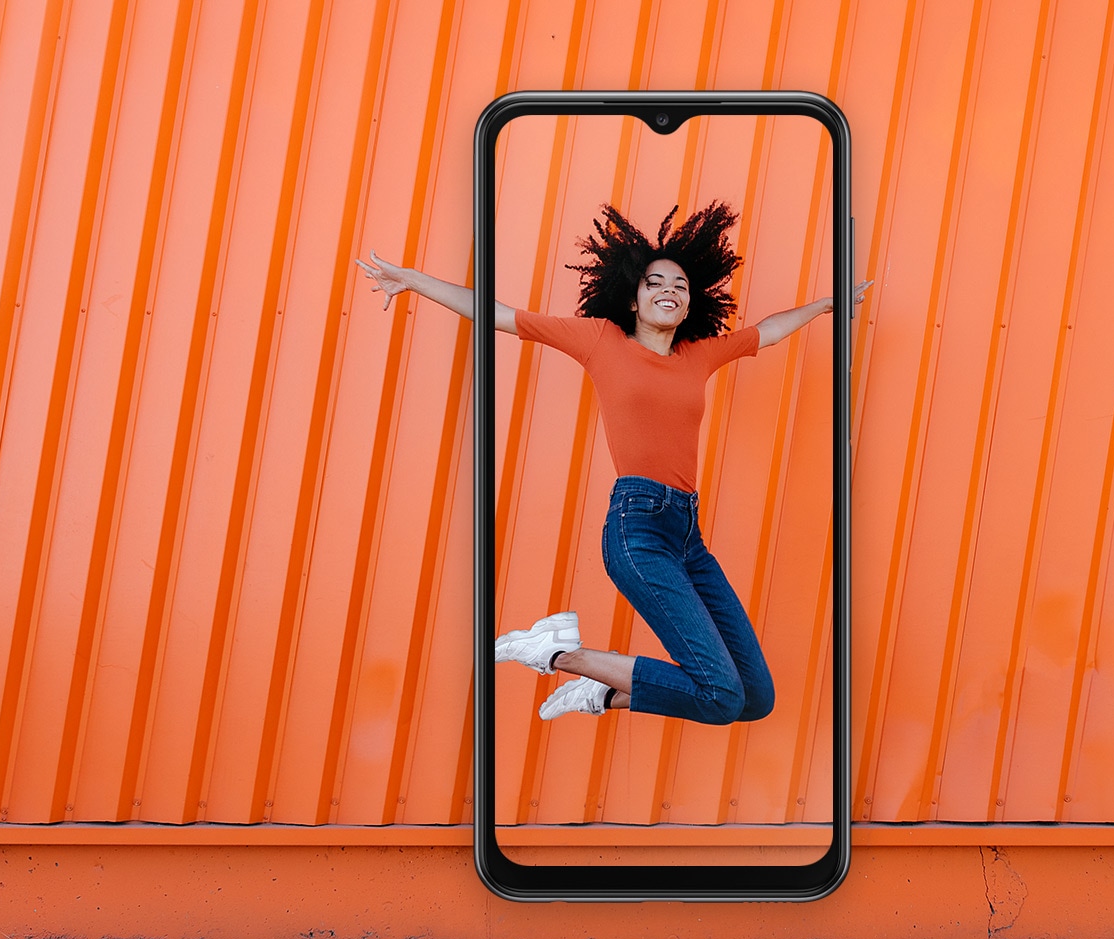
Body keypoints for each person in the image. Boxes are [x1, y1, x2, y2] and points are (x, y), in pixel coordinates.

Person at [356, 202, 868, 724]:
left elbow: (771, 329)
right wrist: (415, 281)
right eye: (655, 283)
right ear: (633, 296)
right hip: (637, 528)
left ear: (691, 304)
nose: (669, 290)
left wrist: (825, 305)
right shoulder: (601, 341)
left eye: (680, 286)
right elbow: (499, 314)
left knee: (754, 700)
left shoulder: (699, 354)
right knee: (720, 697)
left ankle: (601, 694)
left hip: (686, 535)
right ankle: (561, 654)